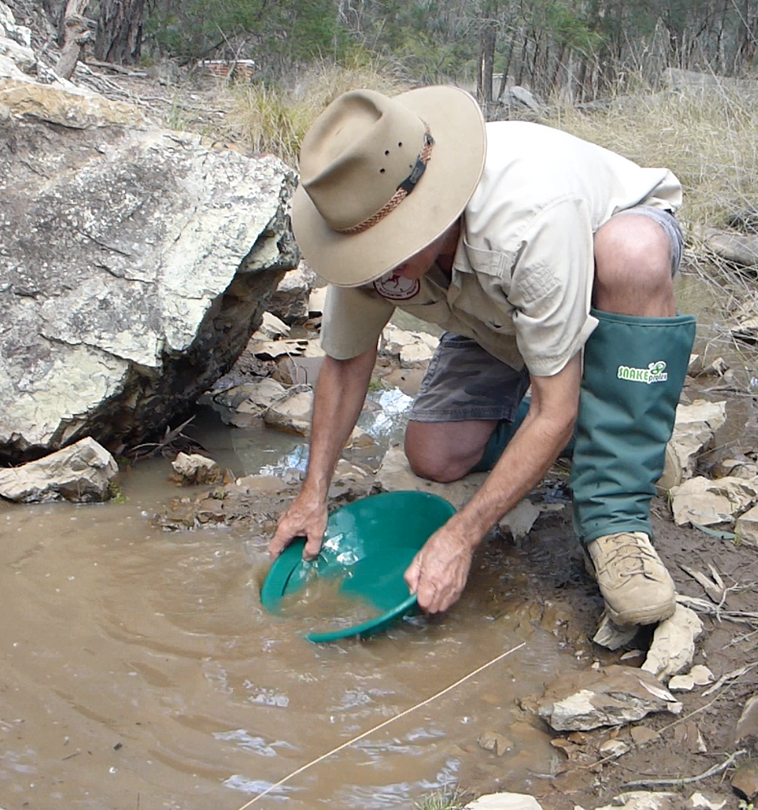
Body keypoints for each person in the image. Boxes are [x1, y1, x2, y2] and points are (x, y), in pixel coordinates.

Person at [269, 85, 696, 627]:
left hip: (595, 257)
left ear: (433, 213)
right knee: (435, 455)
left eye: (389, 251)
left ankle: (617, 507)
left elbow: (552, 409)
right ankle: (615, 429)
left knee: (632, 254)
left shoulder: (530, 220)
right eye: (366, 256)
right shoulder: (363, 218)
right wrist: (313, 493)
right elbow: (347, 361)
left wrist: (463, 536)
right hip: (492, 309)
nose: (379, 273)